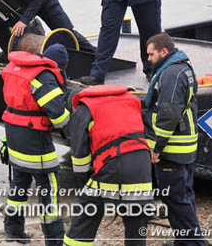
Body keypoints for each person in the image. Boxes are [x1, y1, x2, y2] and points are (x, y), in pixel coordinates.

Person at [64, 85, 153, 246]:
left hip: (113, 167)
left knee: (85, 213)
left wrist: (84, 182)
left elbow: (79, 156)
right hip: (142, 170)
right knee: (136, 220)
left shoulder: (84, 109)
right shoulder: (132, 100)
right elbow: (150, 135)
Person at [1, 44, 71, 245]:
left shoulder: (20, 69)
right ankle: (55, 239)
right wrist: (72, 129)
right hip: (35, 140)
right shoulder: (45, 77)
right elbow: (57, 114)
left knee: (19, 184)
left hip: (14, 134)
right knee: (49, 188)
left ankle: (13, 230)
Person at [143, 33, 204, 245]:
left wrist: (157, 148)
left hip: (172, 151)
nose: (148, 59)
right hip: (185, 148)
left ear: (164, 52)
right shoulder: (183, 68)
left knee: (176, 201)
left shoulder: (170, 74)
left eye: (151, 54)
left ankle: (194, 243)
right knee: (185, 197)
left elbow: (168, 114)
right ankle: (184, 242)